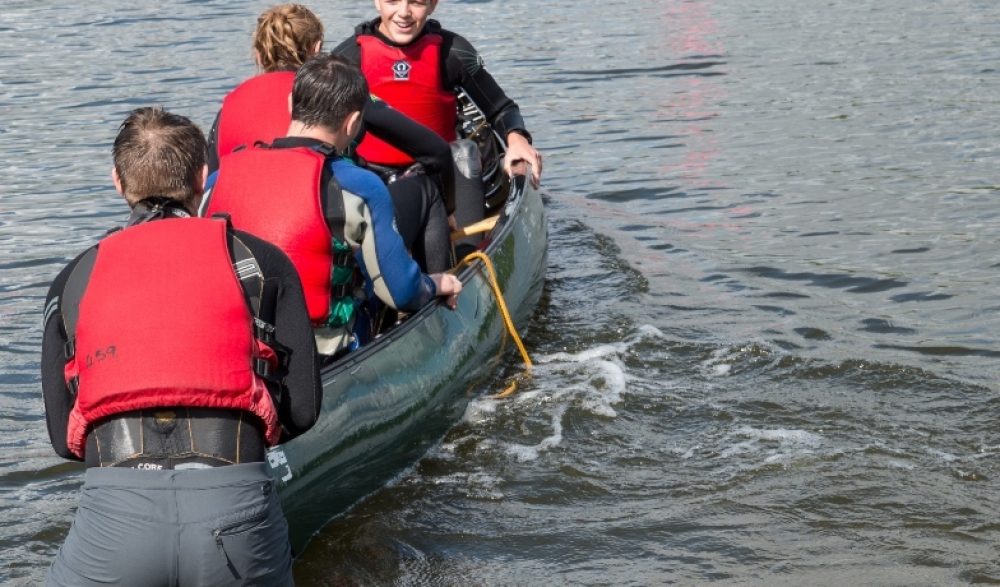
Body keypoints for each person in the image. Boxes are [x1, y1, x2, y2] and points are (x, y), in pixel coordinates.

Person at [41, 107, 321, 585]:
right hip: (236, 517)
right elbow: (303, 411)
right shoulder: (262, 262)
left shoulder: (73, 279)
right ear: (203, 175)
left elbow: (61, 439)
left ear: (117, 181)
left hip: (114, 525)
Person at [203, 53, 462, 358]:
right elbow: (401, 294)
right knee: (387, 259)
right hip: (326, 349)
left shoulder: (218, 179)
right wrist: (435, 284)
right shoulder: (359, 186)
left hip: (242, 345)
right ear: (353, 123)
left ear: (290, 105)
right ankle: (440, 336)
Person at [208, 3, 455, 272]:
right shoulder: (337, 90)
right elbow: (435, 151)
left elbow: (211, 184)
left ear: (257, 54)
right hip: (322, 247)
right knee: (425, 188)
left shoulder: (227, 107)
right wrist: (451, 209)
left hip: (246, 254)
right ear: (317, 49)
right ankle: (442, 287)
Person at [332, 0, 545, 247]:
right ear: (377, 2)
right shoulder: (346, 58)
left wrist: (517, 139)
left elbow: (501, 109)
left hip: (442, 178)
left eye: (417, 2)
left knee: (465, 152)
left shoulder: (453, 51)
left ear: (433, 4)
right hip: (372, 177)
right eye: (392, 1)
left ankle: (469, 253)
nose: (404, 12)